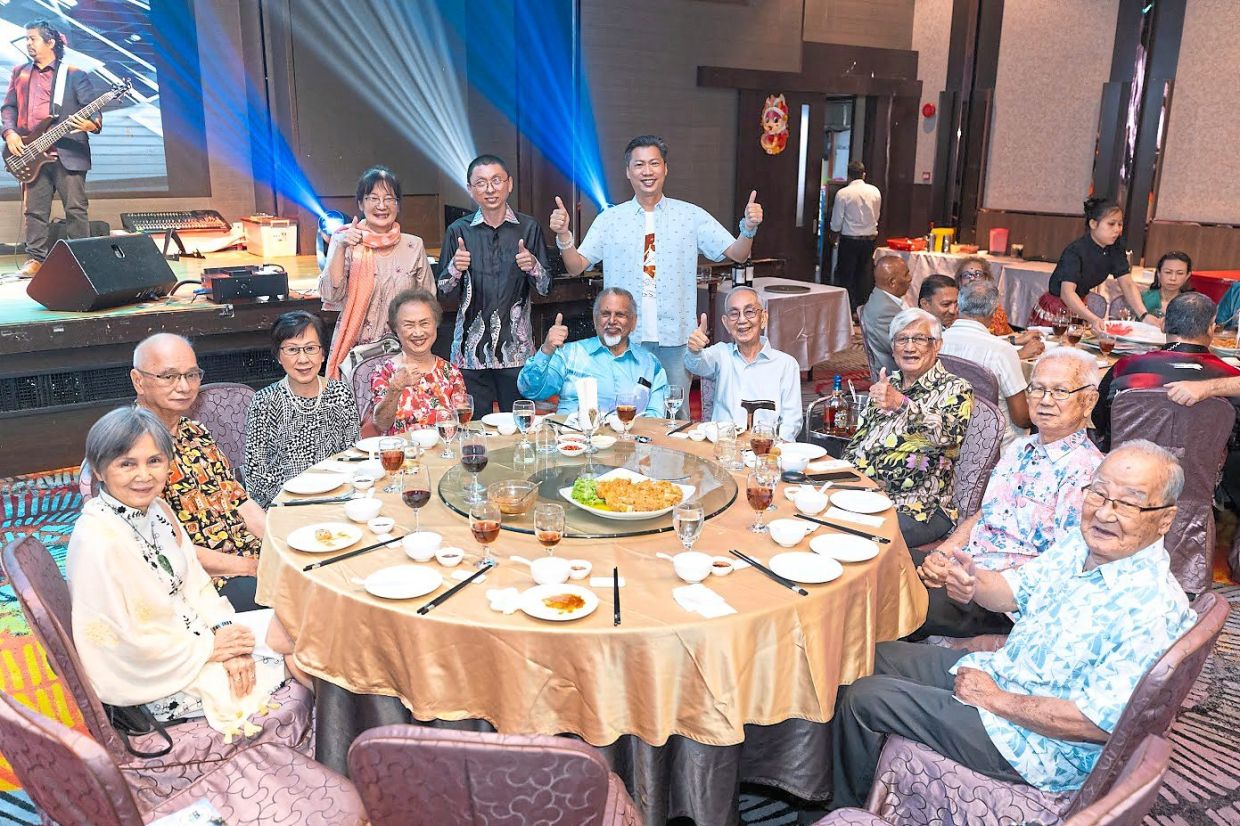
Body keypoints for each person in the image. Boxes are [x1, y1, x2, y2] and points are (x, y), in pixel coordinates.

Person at [830, 441, 1194, 810]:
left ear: (1165, 518)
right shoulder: (1081, 547)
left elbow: (1096, 723)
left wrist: (996, 700)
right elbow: (1012, 592)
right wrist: (974, 583)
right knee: (867, 657)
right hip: (1004, 673)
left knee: (866, 699)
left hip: (1034, 744)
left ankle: (844, 811)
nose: (1104, 513)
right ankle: (817, 771)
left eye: (1129, 503)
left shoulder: (1152, 609)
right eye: (1098, 493)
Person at [68, 407, 294, 737]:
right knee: (307, 658)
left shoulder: (156, 511)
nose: (143, 475)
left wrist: (226, 631)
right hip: (156, 677)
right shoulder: (98, 541)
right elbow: (125, 643)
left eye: (154, 461)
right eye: (127, 464)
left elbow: (195, 583)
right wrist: (212, 651)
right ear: (100, 470)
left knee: (302, 630)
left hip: (193, 638)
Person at [549, 135, 763, 404]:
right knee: (622, 411)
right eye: (639, 165)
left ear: (665, 168)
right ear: (628, 172)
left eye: (654, 163)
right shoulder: (610, 220)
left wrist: (749, 229)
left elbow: (737, 253)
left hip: (675, 339)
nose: (647, 171)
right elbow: (576, 266)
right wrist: (564, 235)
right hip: (626, 337)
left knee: (674, 414)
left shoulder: (690, 216)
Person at [909, 349, 1103, 640]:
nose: (1045, 400)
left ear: (1088, 401)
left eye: (1060, 391)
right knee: (882, 563)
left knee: (896, 598)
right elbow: (985, 514)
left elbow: (1064, 564)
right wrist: (942, 554)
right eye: (1037, 389)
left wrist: (972, 579)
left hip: (1002, 600)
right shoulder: (1019, 448)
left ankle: (871, 676)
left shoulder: (1086, 473)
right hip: (968, 565)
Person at [128, 333, 264, 611]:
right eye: (169, 376)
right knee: (306, 605)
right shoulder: (132, 452)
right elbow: (162, 549)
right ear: (138, 381)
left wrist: (278, 546)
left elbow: (240, 501)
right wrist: (251, 568)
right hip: (202, 582)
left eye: (191, 375)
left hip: (248, 558)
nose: (184, 386)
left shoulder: (195, 431)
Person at [843, 308, 972, 546]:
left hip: (920, 507)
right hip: (864, 495)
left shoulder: (956, 389)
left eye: (920, 339)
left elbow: (948, 435)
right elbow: (859, 441)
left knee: (855, 537)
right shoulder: (888, 384)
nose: (910, 347)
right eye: (902, 339)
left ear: (937, 345)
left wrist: (901, 404)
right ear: (893, 349)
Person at [437, 154, 550, 416]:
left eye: (496, 180)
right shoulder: (458, 231)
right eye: (481, 183)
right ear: (470, 189)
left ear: (509, 184)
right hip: (470, 352)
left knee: (520, 430)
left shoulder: (529, 228)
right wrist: (455, 267)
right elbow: (442, 292)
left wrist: (532, 265)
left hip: (516, 353)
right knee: (473, 430)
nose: (490, 189)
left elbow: (545, 287)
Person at [1, 20, 100, 279]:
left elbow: (93, 106)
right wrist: (10, 132)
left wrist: (92, 123)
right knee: (35, 211)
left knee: (76, 209)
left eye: (32, 39)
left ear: (50, 42)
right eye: (27, 39)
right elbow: (8, 107)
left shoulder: (75, 73)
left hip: (68, 153)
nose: (28, 44)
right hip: (31, 153)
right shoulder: (20, 72)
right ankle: (36, 259)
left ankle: (81, 260)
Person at [319, 165, 434, 379]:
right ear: (361, 204)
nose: (381, 206)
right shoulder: (346, 240)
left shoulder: (414, 245)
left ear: (398, 205)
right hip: (355, 356)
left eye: (389, 198)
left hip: (404, 354)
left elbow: (428, 303)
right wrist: (339, 246)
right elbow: (330, 294)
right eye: (373, 198)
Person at [1093, 292, 1240, 451]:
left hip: (1126, 468)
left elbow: (1099, 420)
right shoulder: (1231, 379)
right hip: (1204, 473)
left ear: (1163, 325)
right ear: (1211, 329)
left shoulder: (1125, 368)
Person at [244, 311, 360, 508]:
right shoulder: (264, 401)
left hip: (336, 500)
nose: (303, 359)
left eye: (311, 348)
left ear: (323, 353)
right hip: (285, 506)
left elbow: (353, 457)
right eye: (292, 350)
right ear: (278, 356)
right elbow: (256, 478)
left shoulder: (340, 393)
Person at [518, 287, 667, 417]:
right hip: (574, 442)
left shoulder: (649, 364)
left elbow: (656, 418)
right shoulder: (569, 354)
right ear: (595, 320)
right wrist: (546, 350)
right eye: (605, 314)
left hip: (628, 443)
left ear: (633, 322)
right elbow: (530, 390)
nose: (612, 320)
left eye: (620, 315)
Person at [685, 286, 803, 440]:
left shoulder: (786, 364)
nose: (741, 320)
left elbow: (791, 422)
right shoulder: (721, 355)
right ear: (726, 323)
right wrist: (694, 350)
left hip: (767, 449)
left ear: (763, 318)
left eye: (749, 312)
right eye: (734, 314)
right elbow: (695, 364)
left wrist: (775, 450)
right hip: (723, 447)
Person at [1028, 197, 1145, 332]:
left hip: (1080, 307)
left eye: (1120, 224)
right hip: (1057, 309)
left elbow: (1127, 284)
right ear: (1093, 224)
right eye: (1111, 224)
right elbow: (1067, 293)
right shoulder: (1075, 251)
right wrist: (1093, 318)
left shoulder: (1115, 247)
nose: (1118, 230)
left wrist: (1144, 315)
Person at [940, 279, 1032, 446]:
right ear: (994, 313)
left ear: (958, 307)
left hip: (946, 435)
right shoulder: (1001, 352)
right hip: (994, 445)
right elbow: (1021, 418)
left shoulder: (937, 341)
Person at [367, 289, 466, 436]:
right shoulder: (384, 372)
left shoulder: (450, 372)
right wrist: (395, 388)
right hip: (402, 456)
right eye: (409, 325)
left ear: (436, 324)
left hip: (443, 455)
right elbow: (381, 424)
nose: (418, 332)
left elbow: (462, 423)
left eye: (424, 323)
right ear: (395, 328)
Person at [955, 257, 1043, 360]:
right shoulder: (955, 308)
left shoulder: (995, 308)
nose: (972, 278)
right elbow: (973, 346)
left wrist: (1016, 340)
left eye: (978, 274)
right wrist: (1019, 354)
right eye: (967, 275)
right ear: (960, 282)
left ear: (987, 279)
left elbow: (991, 340)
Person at [829, 160, 882, 310]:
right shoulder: (875, 192)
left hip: (849, 240)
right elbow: (876, 216)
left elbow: (837, 221)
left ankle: (847, 309)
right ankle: (862, 310)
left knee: (846, 275)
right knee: (864, 275)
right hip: (869, 239)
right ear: (863, 174)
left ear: (849, 176)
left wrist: (833, 236)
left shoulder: (843, 193)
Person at [859, 255, 912, 377]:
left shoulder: (881, 298)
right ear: (892, 282)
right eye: (906, 274)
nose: (910, 278)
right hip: (897, 376)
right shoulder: (885, 311)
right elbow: (903, 349)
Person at [1137, 251, 1194, 321]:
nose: (1173, 278)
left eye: (1180, 273)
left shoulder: (1191, 305)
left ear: (1187, 275)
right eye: (1168, 272)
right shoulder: (1142, 299)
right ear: (1158, 273)